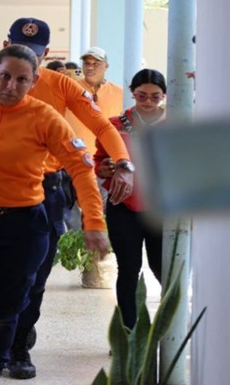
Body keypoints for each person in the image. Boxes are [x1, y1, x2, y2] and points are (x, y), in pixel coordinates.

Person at [0, 45, 110, 385]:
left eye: (22, 79)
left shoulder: (45, 118)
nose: (11, 86)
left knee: (3, 310)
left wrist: (94, 222)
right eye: (5, 76)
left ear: (34, 81)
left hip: (22, 226)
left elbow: (81, 169)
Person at [0, 17, 134, 380]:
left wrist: (123, 162)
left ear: (45, 55)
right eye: (22, 50)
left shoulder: (62, 84)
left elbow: (101, 125)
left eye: (37, 54)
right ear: (5, 47)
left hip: (46, 191)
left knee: (34, 277)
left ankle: (18, 345)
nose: (29, 61)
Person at [95, 69, 166, 329]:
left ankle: (170, 330)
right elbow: (99, 159)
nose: (148, 102)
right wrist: (104, 169)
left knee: (163, 269)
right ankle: (128, 332)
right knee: (128, 268)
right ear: (132, 93)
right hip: (123, 206)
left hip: (161, 209)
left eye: (155, 97)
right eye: (141, 96)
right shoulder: (115, 124)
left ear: (164, 96)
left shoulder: (174, 125)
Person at [64, 46, 124, 155]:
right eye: (87, 63)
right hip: (73, 157)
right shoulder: (69, 89)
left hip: (106, 158)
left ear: (106, 66)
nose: (90, 67)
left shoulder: (120, 93)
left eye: (96, 64)